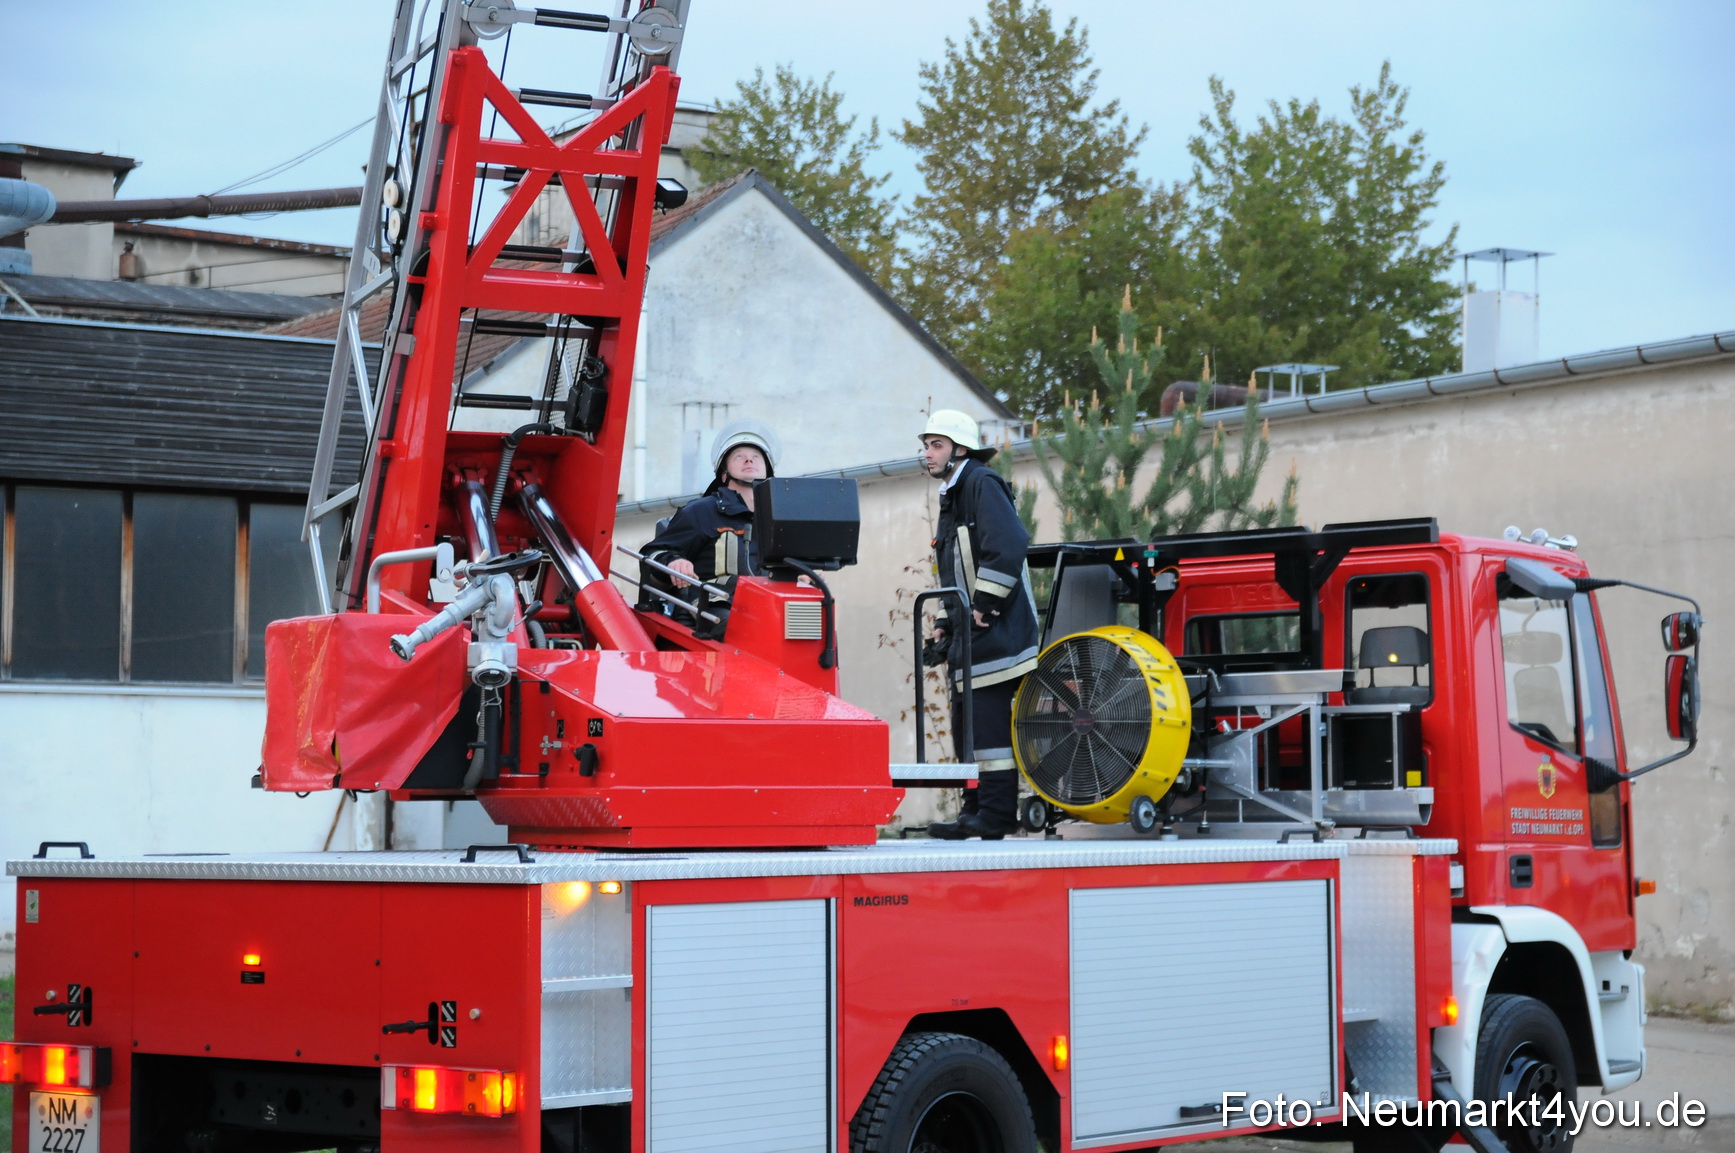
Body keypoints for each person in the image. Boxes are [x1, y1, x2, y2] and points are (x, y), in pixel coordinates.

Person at [918, 409, 1041, 840]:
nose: (927, 454)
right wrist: (943, 624)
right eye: (926, 445)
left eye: (936, 445)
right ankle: (974, 812)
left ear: (960, 449)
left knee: (988, 732)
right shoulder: (954, 493)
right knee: (966, 729)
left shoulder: (981, 483)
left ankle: (995, 816)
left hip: (998, 631)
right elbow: (954, 571)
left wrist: (986, 605)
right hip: (970, 635)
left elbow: (1008, 545)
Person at [642, 419, 779, 595]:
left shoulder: (781, 515)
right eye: (739, 456)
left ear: (768, 470)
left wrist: (804, 573)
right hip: (716, 608)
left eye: (756, 456)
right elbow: (654, 553)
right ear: (724, 475)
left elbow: (799, 560)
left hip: (774, 606)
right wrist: (674, 561)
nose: (749, 460)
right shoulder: (702, 512)